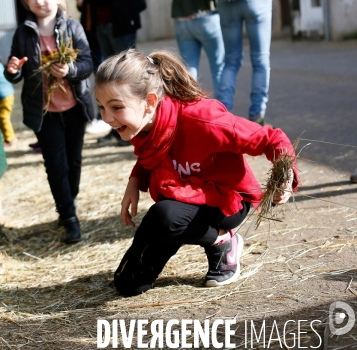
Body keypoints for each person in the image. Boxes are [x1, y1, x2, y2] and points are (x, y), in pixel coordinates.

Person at [95, 49, 298, 296]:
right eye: (101, 107)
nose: (106, 117)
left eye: (115, 107)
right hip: (183, 198)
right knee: (128, 284)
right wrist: (135, 180)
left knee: (164, 217)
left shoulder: (204, 119)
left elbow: (270, 138)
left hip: (226, 201)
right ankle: (206, 238)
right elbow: (156, 153)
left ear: (149, 102)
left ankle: (223, 241)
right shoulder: (145, 124)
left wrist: (285, 177)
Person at [4, 0, 94, 244]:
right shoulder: (23, 33)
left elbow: (88, 64)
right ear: (26, 0)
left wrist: (70, 70)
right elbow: (15, 71)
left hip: (74, 107)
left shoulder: (72, 28)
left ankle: (70, 201)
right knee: (55, 166)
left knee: (73, 163)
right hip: (45, 113)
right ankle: (69, 218)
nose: (39, 0)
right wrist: (12, 70)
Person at [197, 0, 284, 125]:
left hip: (227, 0)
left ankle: (222, 114)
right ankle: (256, 115)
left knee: (231, 60)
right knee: (260, 60)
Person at [83, 0, 145, 145]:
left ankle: (136, 128)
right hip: (102, 28)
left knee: (126, 79)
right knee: (109, 80)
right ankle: (116, 130)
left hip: (121, 27)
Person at [167, 0, 224, 93]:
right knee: (218, 67)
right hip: (206, 17)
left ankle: (190, 111)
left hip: (182, 22)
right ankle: (222, 109)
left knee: (188, 72)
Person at [77, 0, 111, 136]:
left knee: (106, 73)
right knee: (97, 74)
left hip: (105, 26)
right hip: (89, 28)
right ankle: (100, 116)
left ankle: (106, 115)